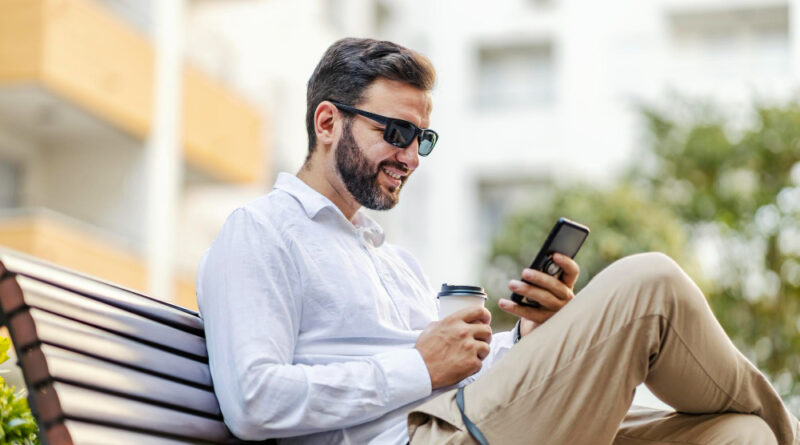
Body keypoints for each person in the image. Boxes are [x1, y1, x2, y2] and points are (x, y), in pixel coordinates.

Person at [197, 37, 800, 445]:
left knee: (739, 435)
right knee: (650, 283)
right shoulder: (263, 232)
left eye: (423, 140)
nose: (410, 157)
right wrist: (416, 366)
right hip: (419, 438)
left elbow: (461, 380)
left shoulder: (391, 259)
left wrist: (536, 339)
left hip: (467, 421)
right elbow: (254, 400)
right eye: (398, 132)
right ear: (328, 123)